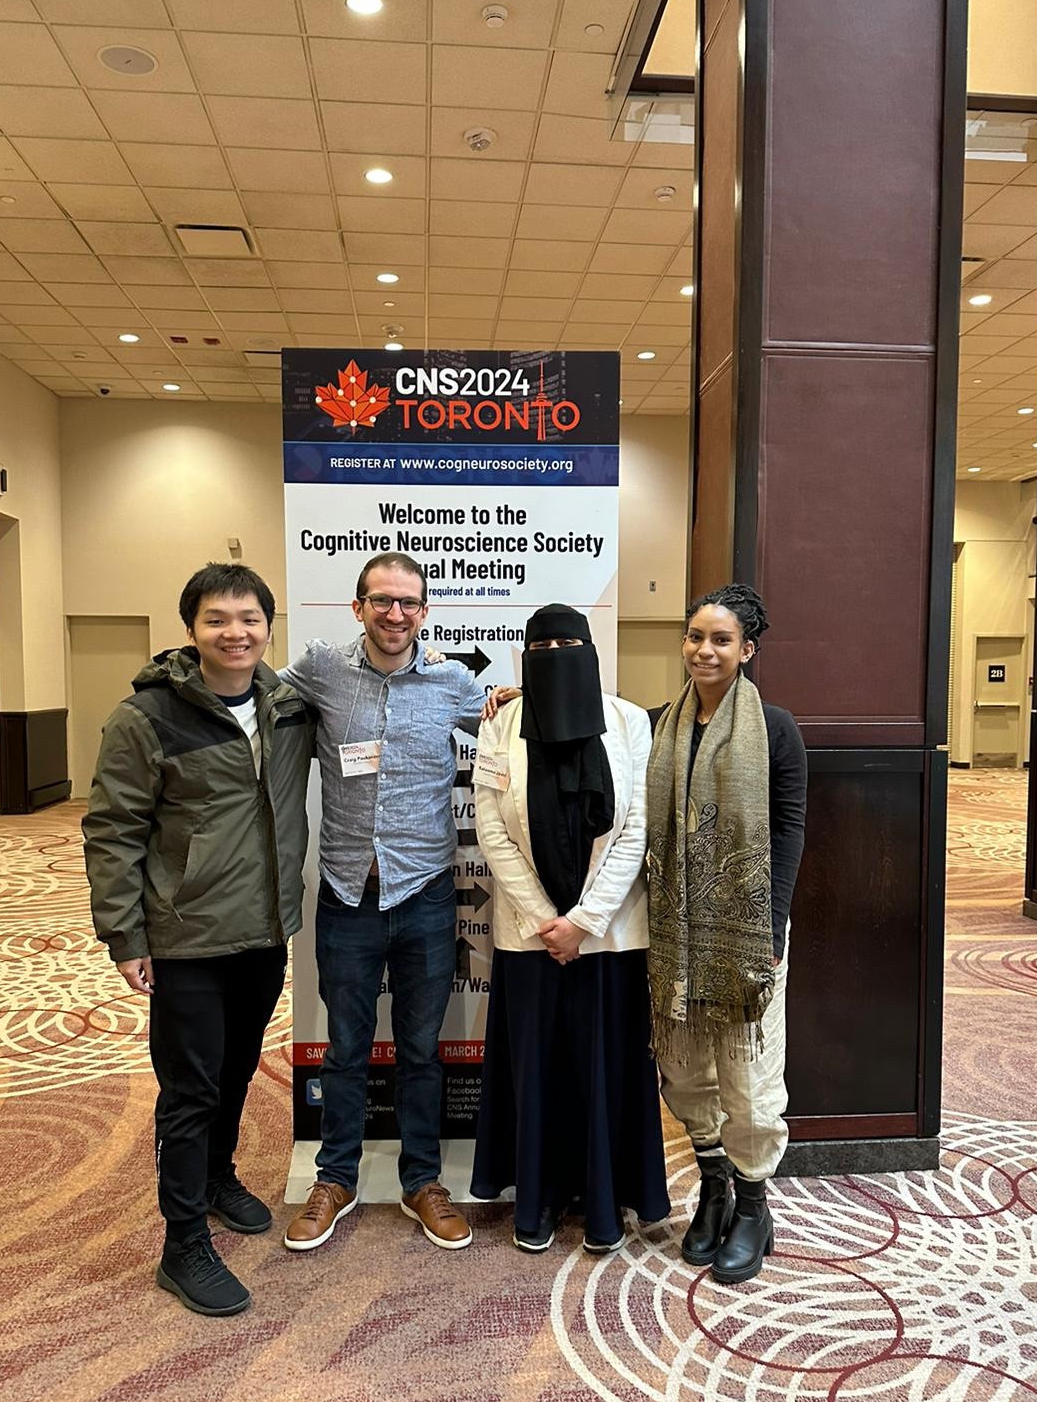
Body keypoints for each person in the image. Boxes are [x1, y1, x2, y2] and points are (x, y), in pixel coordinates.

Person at [83, 563, 315, 1318]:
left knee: (239, 1067)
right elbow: (113, 830)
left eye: (249, 618)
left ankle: (217, 1178)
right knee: (190, 1089)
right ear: (192, 629)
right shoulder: (146, 718)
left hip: (261, 932)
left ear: (268, 627)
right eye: (218, 619)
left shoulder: (287, 707)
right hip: (184, 937)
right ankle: (182, 1243)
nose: (235, 633)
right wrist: (125, 935)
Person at [281, 552, 488, 1254]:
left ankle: (422, 1180)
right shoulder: (321, 669)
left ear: (425, 612)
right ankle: (334, 1177)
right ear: (358, 607)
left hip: (427, 893)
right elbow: (253, 697)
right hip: (346, 893)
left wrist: (528, 697)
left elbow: (508, 728)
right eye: (382, 601)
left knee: (422, 1051)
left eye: (408, 603)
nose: (395, 614)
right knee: (344, 1048)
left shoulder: (453, 681)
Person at [471, 605, 669, 1254]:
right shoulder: (501, 722)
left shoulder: (627, 720)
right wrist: (542, 920)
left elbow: (636, 827)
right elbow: (491, 827)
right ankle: (539, 1201)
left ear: (590, 648)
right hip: (529, 940)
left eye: (568, 642)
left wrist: (582, 922)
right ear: (524, 655)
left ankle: (605, 1203)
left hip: (608, 939)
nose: (555, 652)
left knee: (602, 1069)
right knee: (539, 1070)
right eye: (542, 644)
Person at [647, 583, 807, 1286]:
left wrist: (770, 927)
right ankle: (712, 1184)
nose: (703, 650)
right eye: (694, 637)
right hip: (672, 930)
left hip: (748, 929)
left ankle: (752, 1206)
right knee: (683, 1066)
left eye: (719, 640)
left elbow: (790, 829)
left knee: (747, 1073)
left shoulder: (774, 729)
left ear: (747, 650)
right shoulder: (657, 724)